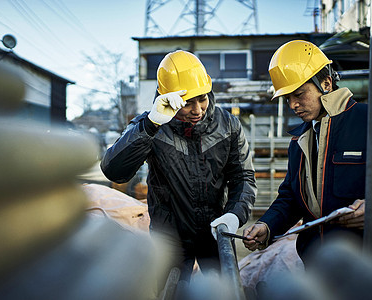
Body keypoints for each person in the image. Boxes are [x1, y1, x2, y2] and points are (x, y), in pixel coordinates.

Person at [243, 40, 372, 264]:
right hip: (316, 264)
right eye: (287, 99)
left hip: (368, 265)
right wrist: (267, 225)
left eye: (299, 95)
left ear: (326, 83)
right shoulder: (299, 139)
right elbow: (290, 198)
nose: (293, 105)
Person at [101, 50, 256, 285]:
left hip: (216, 232)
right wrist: (151, 125)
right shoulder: (150, 125)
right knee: (171, 292)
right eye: (187, 102)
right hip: (169, 238)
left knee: (225, 291)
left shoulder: (229, 126)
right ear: (168, 97)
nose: (197, 109)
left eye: (202, 98)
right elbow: (113, 171)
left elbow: (243, 177)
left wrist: (234, 214)